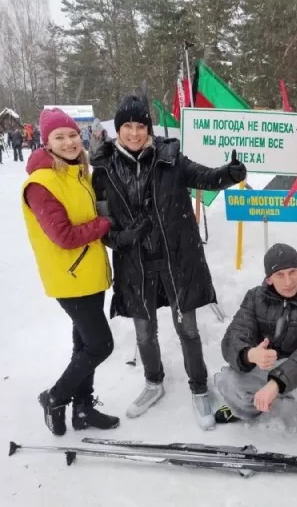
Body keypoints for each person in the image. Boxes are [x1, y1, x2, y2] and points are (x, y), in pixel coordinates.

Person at [91, 95, 247, 430]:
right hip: (135, 264)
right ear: (118, 129)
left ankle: (199, 387)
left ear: (148, 128)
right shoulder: (103, 170)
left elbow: (204, 177)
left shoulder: (169, 158)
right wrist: (123, 239)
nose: (134, 133)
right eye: (127, 126)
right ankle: (153, 382)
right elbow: (103, 226)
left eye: (140, 126)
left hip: (177, 260)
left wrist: (229, 174)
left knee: (187, 328)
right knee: (144, 333)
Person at [21, 108, 119, 436]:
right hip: (69, 278)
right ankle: (55, 397)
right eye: (59, 137)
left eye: (73, 135)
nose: (69, 142)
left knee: (83, 344)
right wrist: (105, 223)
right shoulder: (41, 183)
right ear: (45, 143)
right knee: (100, 345)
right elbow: (62, 236)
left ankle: (83, 408)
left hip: (90, 274)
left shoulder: (79, 172)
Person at [214, 243, 297, 447]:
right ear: (269, 279)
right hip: (267, 364)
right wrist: (249, 355)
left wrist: (276, 383)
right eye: (280, 275)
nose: (288, 281)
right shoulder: (255, 297)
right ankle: (244, 408)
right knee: (229, 379)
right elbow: (233, 336)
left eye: (292, 272)